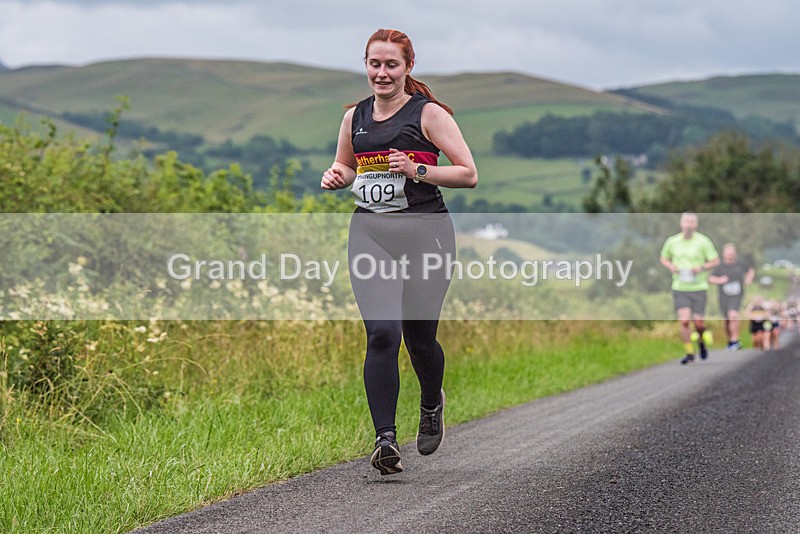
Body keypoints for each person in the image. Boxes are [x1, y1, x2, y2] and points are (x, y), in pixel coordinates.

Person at [321, 29, 477, 475]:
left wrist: (418, 169)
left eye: (392, 65)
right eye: (375, 64)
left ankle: (431, 403)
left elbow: (468, 174)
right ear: (365, 65)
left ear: (408, 67)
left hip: (426, 235)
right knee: (383, 334)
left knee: (419, 338)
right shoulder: (354, 117)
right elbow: (347, 165)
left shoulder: (428, 115)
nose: (382, 73)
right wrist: (336, 175)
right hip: (370, 233)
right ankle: (385, 440)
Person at [659, 212, 720, 364]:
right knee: (684, 321)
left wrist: (701, 268)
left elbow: (715, 260)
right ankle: (689, 352)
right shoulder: (672, 241)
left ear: (696, 225)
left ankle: (701, 341)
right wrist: (671, 266)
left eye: (692, 222)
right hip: (680, 286)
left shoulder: (703, 241)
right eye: (686, 221)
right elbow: (663, 258)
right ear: (681, 224)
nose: (689, 224)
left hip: (699, 287)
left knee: (698, 322)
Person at [708, 243, 755, 350]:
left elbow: (750, 270)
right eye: (728, 253)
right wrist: (720, 280)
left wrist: (749, 278)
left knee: (733, 314)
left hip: (737, 295)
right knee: (726, 320)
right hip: (724, 297)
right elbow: (710, 278)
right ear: (724, 254)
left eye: (732, 253)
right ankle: (730, 340)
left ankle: (735, 340)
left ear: (735, 253)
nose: (730, 255)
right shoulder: (719, 266)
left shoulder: (740, 264)